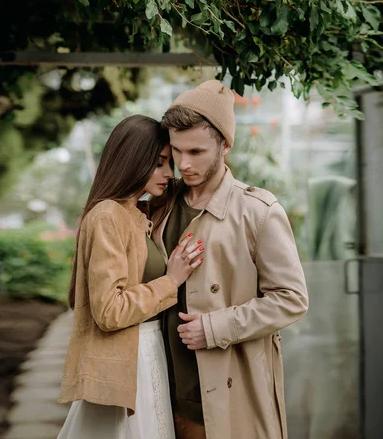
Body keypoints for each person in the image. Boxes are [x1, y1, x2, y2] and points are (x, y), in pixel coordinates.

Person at [151, 80, 309, 439]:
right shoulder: (161, 203)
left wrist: (215, 328)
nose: (184, 164)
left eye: (196, 151)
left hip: (223, 393)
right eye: (176, 151)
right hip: (159, 390)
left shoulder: (258, 211)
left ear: (224, 144)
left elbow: (292, 299)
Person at [57, 115, 205, 439]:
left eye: (170, 163)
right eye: (160, 163)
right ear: (133, 161)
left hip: (146, 353)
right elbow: (109, 311)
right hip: (124, 360)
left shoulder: (136, 213)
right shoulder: (108, 216)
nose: (170, 173)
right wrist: (172, 280)